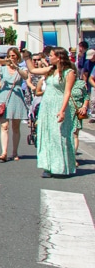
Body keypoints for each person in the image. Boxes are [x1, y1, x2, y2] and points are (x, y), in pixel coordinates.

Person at [29, 47, 78, 177]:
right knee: (46, 135)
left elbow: (67, 92)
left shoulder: (69, 72)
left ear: (59, 57)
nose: (49, 58)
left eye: (51, 55)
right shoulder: (51, 70)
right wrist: (26, 56)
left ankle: (60, 165)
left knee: (58, 135)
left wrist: (62, 111)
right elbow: (33, 70)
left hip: (58, 105)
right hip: (46, 105)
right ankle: (47, 166)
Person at [0, 47, 30, 162]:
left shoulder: (21, 68)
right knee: (4, 126)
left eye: (13, 56)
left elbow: (25, 77)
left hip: (17, 98)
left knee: (16, 127)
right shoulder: (3, 69)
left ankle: (15, 151)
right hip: (4, 98)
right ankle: (4, 152)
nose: (11, 58)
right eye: (9, 56)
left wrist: (16, 67)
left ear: (17, 57)